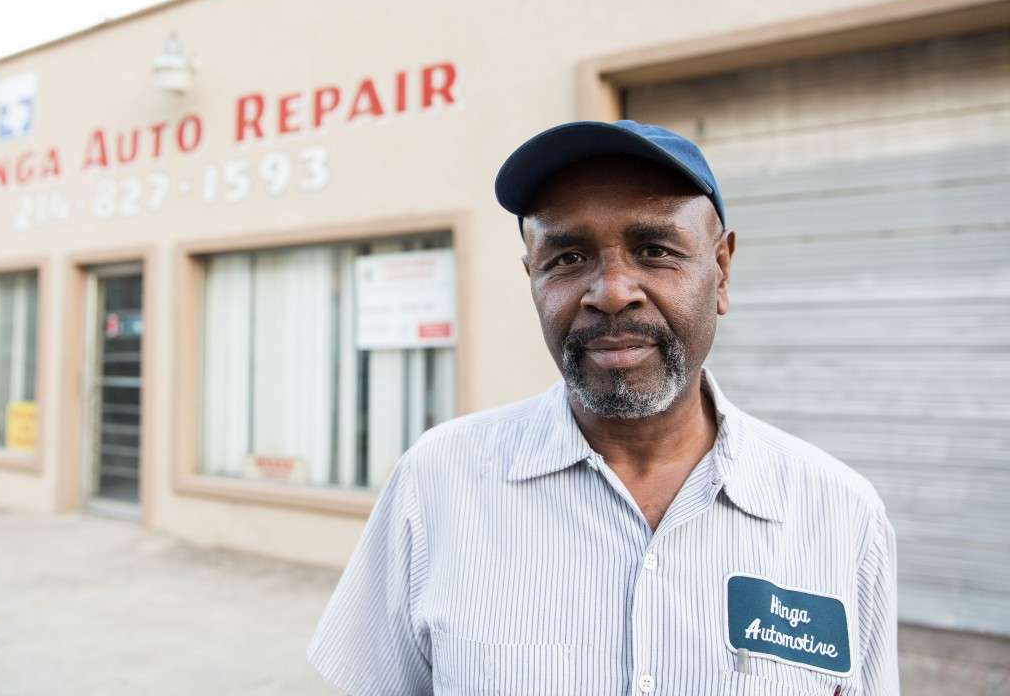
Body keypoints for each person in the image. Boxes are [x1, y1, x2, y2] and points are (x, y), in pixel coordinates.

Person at [307, 120, 899, 695]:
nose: (612, 292)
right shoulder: (434, 482)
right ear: (531, 278)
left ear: (720, 271)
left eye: (655, 250)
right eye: (567, 258)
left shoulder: (840, 514)